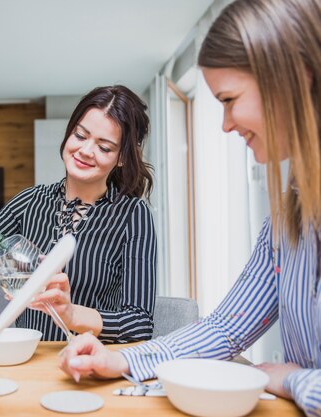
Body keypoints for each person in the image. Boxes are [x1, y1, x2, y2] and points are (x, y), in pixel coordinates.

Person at [59, 0, 321, 414]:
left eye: (230, 99)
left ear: (293, 78)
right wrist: (121, 360)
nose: (226, 124)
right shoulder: (287, 220)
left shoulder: (132, 215)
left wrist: (292, 379)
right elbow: (226, 327)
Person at [0, 85, 157, 342]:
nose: (85, 150)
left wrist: (71, 313)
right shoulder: (28, 202)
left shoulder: (133, 216)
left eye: (104, 147)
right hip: (27, 360)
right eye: (80, 135)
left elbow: (138, 323)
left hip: (88, 366)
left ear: (121, 158)